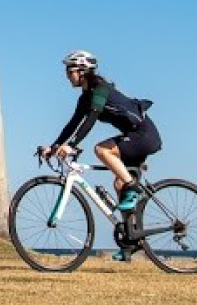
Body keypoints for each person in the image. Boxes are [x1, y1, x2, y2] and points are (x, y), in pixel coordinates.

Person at [37, 50, 161, 215]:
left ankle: (134, 187)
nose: (67, 75)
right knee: (119, 185)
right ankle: (133, 234)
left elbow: (91, 119)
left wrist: (72, 145)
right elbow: (73, 124)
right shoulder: (85, 98)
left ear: (82, 70)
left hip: (144, 136)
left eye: (70, 71)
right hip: (133, 137)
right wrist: (54, 147)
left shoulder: (100, 89)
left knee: (102, 149)